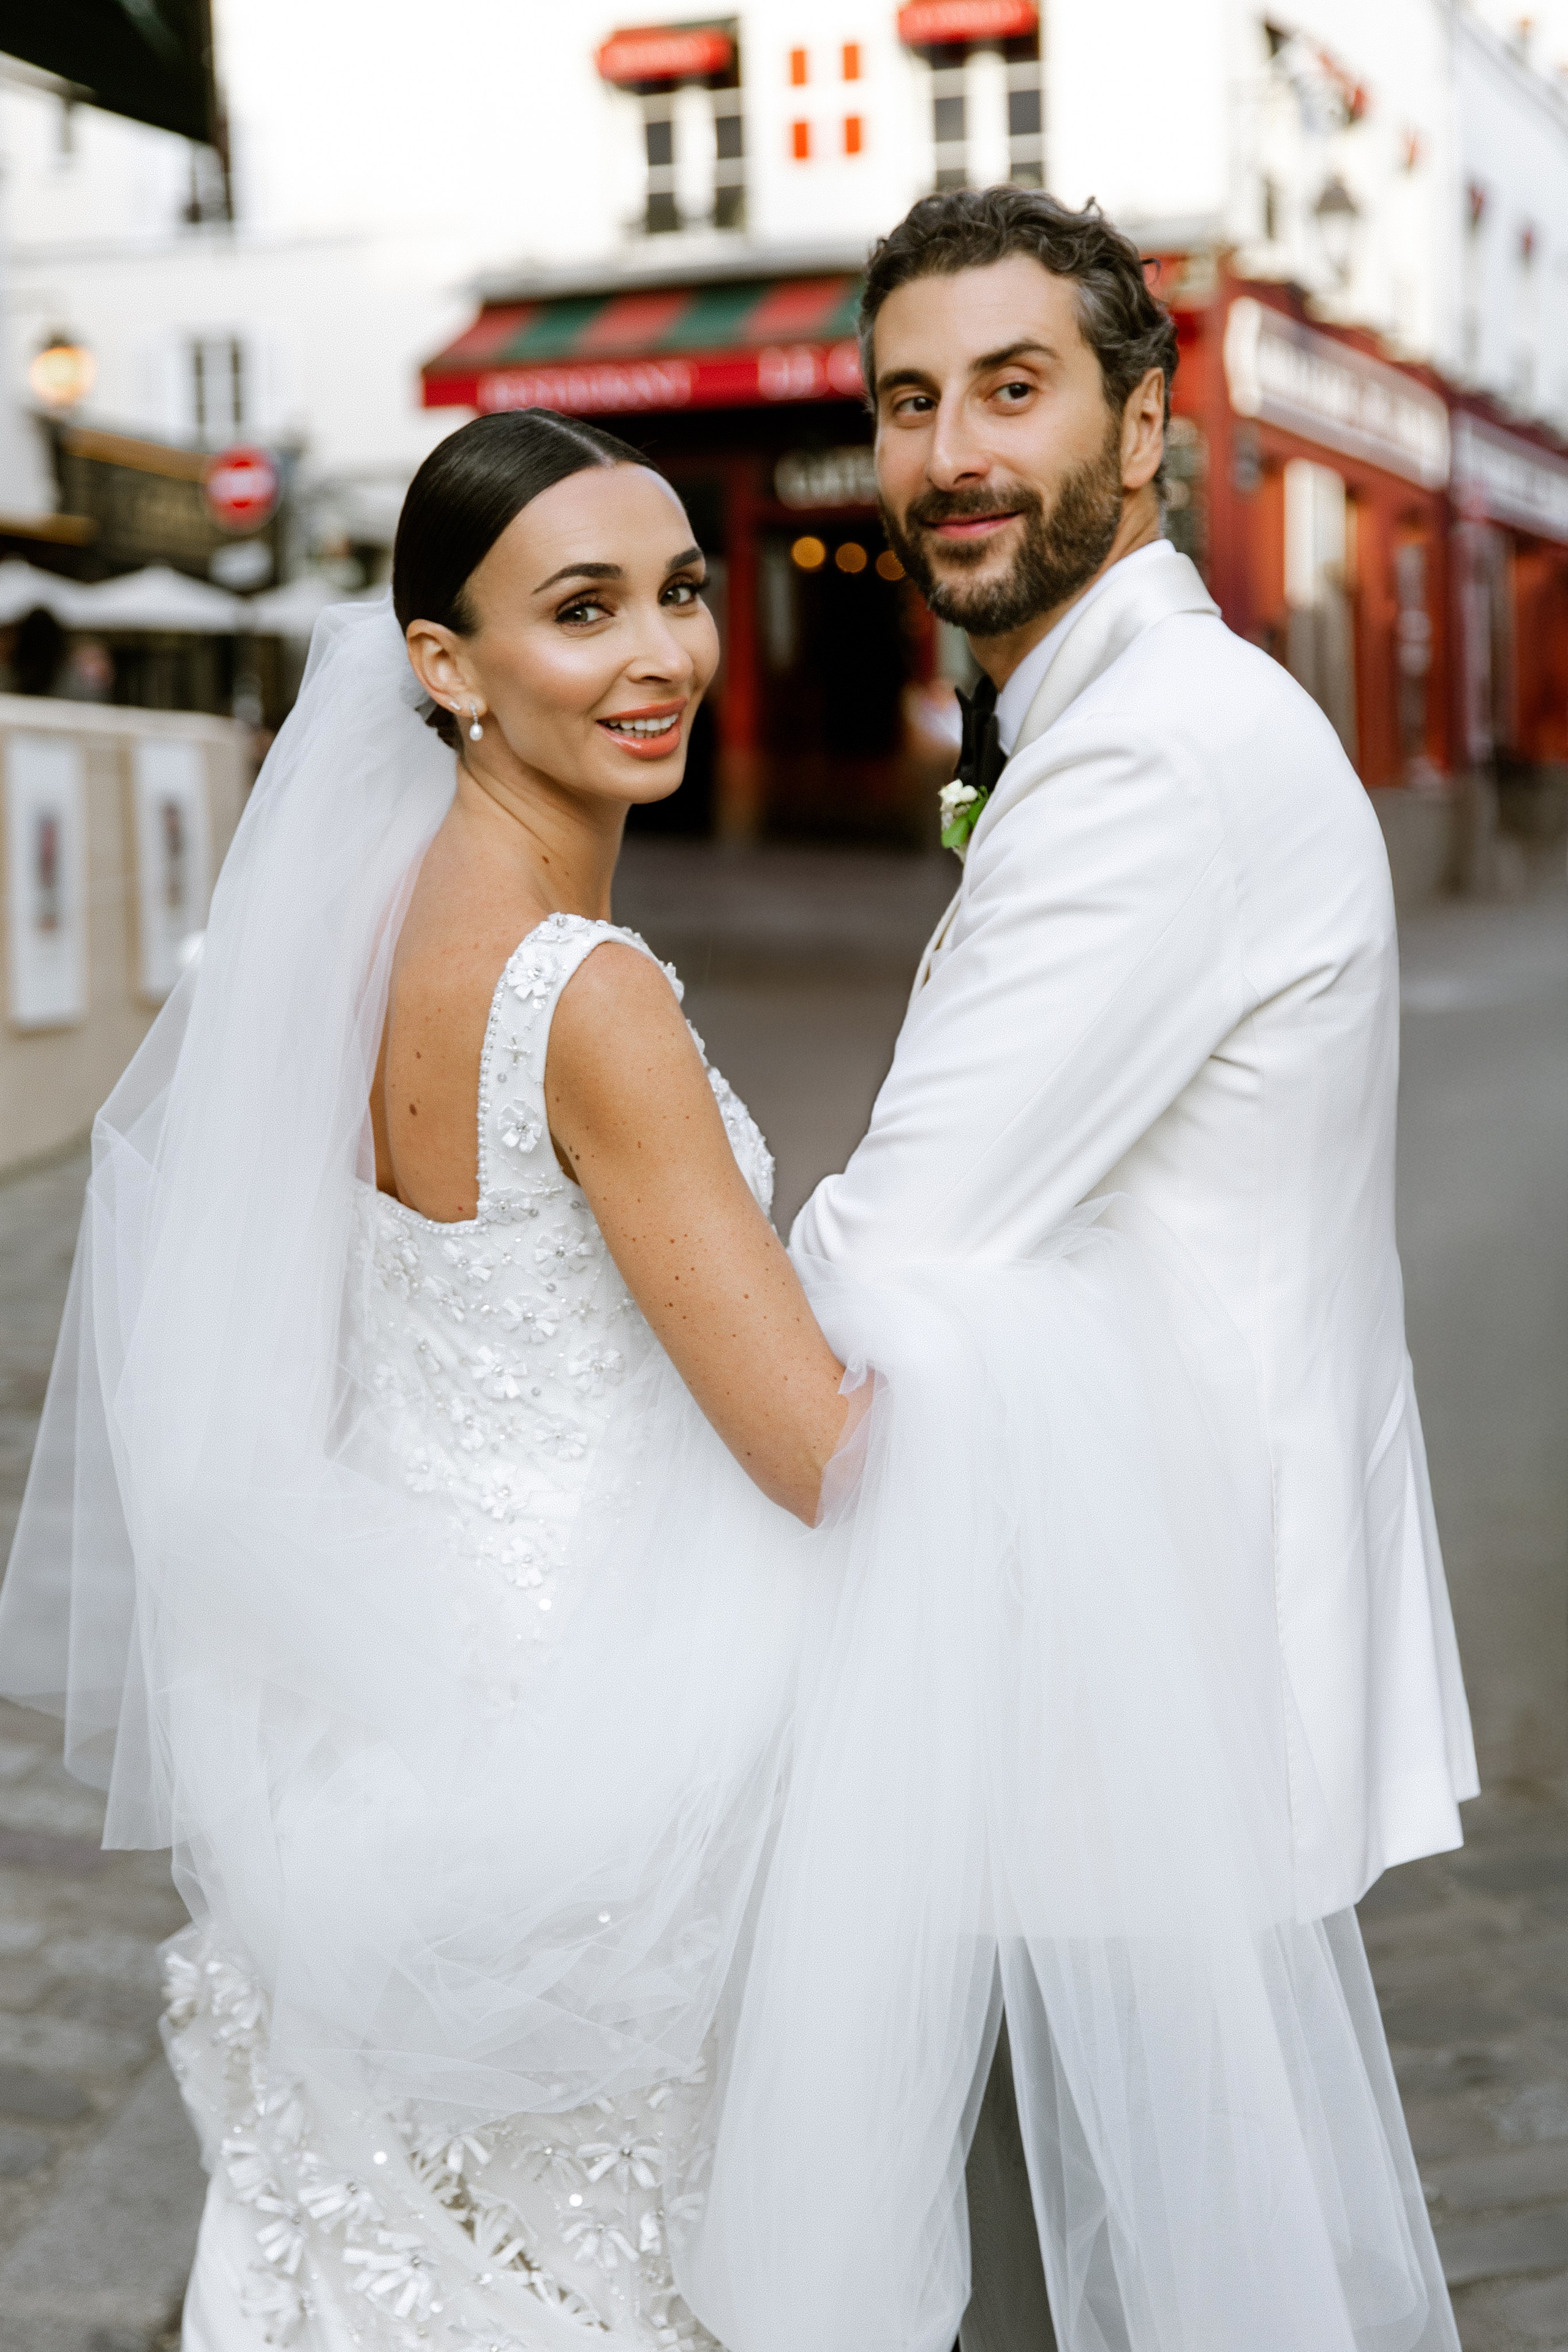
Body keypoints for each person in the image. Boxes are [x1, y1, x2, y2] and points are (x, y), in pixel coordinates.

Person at [1, 404, 1461, 2352]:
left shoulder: (355, 940)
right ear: (445, 665)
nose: (662, 656)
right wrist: (1085, 1368)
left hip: (390, 1718)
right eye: (580, 609)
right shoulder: (585, 1000)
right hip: (606, 1757)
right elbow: (818, 1452)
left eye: (681, 594)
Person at [791, 185, 1476, 2351]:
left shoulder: (1157, 759)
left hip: (1117, 1687)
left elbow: (895, 1248)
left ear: (1148, 427)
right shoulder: (1111, 727)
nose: (951, 451)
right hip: (1112, 1665)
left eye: (1013, 386)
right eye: (910, 402)